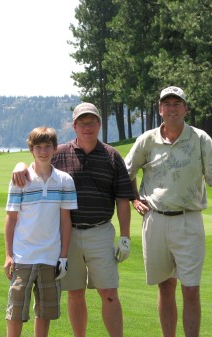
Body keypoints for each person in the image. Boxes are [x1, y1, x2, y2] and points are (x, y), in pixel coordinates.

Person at [124, 86, 212, 337]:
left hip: (189, 221)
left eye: (178, 103)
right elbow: (127, 172)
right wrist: (134, 198)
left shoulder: (200, 139)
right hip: (155, 221)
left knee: (190, 289)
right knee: (165, 287)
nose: (172, 108)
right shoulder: (147, 140)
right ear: (160, 109)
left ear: (186, 109)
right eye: (167, 103)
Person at [12, 103, 135, 337]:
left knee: (109, 292)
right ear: (74, 125)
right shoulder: (60, 154)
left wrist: (125, 236)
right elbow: (37, 166)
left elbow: (122, 199)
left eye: (91, 122)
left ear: (99, 124)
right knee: (75, 293)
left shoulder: (112, 156)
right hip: (67, 236)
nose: (86, 127)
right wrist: (19, 165)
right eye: (81, 123)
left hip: (100, 232)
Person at [4, 126, 77, 337]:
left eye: (47, 147)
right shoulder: (20, 180)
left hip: (51, 257)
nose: (43, 151)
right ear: (31, 150)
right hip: (22, 256)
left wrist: (63, 256)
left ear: (55, 149)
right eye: (38, 147)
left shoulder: (64, 180)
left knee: (45, 311)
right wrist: (9, 254)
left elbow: (65, 219)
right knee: (15, 311)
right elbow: (11, 218)